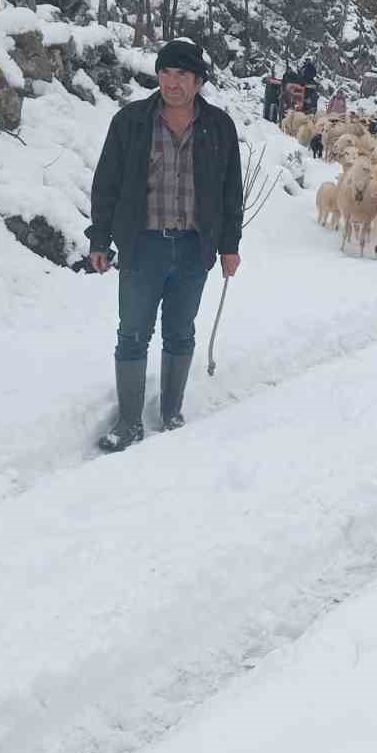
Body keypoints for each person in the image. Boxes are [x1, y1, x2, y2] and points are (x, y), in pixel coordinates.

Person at [87, 38, 243, 453]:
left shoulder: (218, 126)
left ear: (198, 81)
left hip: (194, 247)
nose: (172, 83)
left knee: (180, 331)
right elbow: (106, 184)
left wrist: (230, 245)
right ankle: (127, 422)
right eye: (166, 73)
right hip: (143, 246)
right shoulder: (131, 122)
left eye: (182, 75)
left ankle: (172, 413)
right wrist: (99, 238)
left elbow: (231, 192)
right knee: (133, 334)